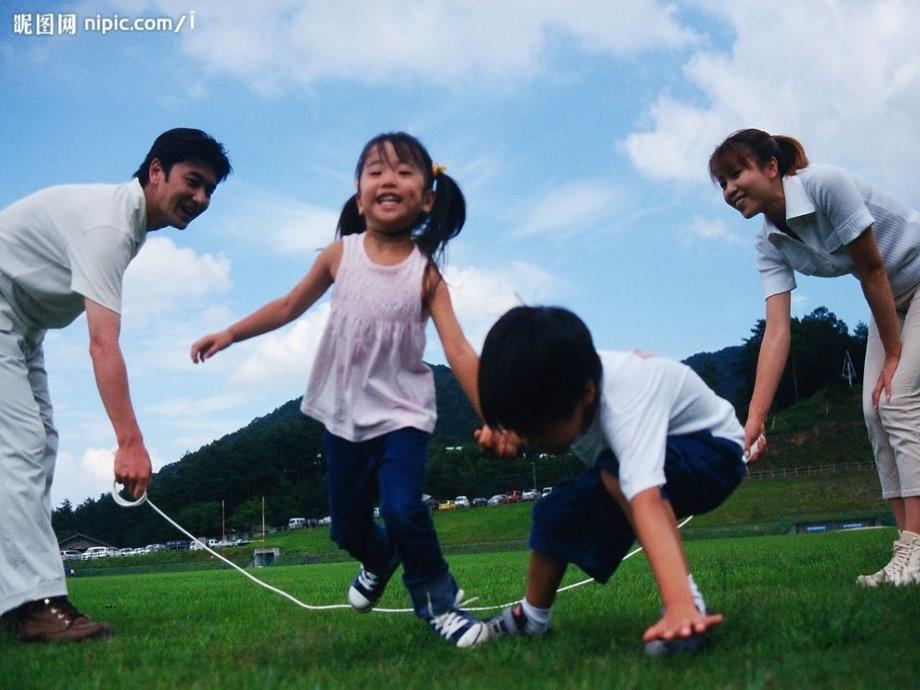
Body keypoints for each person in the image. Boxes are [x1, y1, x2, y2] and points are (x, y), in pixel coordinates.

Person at [190, 132, 490, 648]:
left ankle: (441, 606)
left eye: (402, 172)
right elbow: (287, 306)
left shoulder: (427, 274)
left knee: (402, 508)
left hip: (404, 416)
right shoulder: (340, 255)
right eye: (375, 171)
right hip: (343, 417)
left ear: (427, 197)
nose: (388, 179)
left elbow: (459, 349)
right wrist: (231, 333)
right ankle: (379, 558)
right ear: (358, 194)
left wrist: (493, 414)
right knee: (347, 529)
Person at [0, 128, 232, 642]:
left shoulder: (128, 225)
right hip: (3, 308)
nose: (200, 199)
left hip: (23, 327)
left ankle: (15, 597)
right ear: (155, 171)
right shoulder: (109, 226)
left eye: (209, 191)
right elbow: (103, 344)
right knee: (20, 448)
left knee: (38, 448)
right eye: (192, 182)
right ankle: (36, 605)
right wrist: (130, 441)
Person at [709, 128, 920, 587]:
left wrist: (895, 352)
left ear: (771, 167)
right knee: (872, 409)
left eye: (735, 174)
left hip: (912, 279)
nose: (728, 191)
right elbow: (777, 330)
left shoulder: (825, 184)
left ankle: (919, 550)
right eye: (721, 183)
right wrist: (756, 418)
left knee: (898, 397)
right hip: (891, 299)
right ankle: (907, 547)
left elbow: (872, 267)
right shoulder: (768, 241)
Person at [476, 306, 746, 653]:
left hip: (715, 454)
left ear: (587, 394)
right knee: (554, 511)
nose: (531, 438)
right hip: (646, 461)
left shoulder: (626, 399)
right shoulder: (561, 382)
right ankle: (531, 619)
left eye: (537, 430)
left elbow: (646, 499)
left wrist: (679, 604)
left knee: (616, 473)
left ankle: (687, 609)